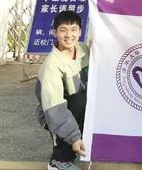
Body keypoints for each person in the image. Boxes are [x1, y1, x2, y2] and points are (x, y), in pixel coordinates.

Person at [35, 11, 89, 170]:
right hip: (54, 113)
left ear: (80, 31)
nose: (69, 35)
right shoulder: (52, 65)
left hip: (78, 108)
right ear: (55, 33)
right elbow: (54, 107)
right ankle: (59, 160)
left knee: (85, 98)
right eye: (63, 30)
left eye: (73, 29)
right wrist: (73, 137)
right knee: (79, 100)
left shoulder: (84, 50)